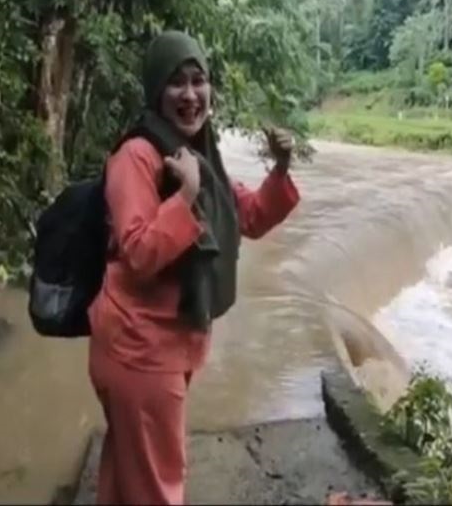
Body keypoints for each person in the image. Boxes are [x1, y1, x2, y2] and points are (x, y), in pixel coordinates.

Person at [86, 30, 300, 505]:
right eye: (175, 83)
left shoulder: (201, 156)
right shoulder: (137, 156)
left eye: (198, 81)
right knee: (160, 484)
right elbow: (138, 252)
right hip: (140, 350)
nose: (189, 95)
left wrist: (280, 169)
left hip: (163, 345)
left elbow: (248, 216)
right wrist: (183, 197)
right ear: (155, 92)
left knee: (129, 475)